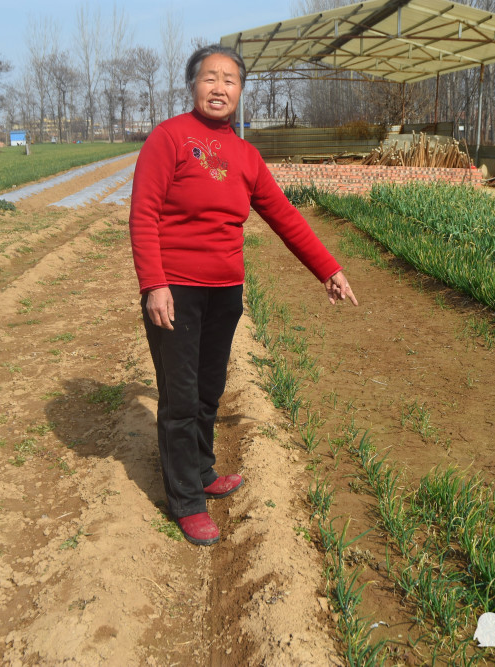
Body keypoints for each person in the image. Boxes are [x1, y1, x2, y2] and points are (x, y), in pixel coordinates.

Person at [129, 44, 358, 546]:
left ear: (239, 92)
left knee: (210, 389)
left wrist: (329, 269)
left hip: (225, 291)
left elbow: (285, 216)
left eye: (229, 80)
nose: (219, 87)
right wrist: (154, 285)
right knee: (180, 397)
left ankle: (203, 470)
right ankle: (186, 499)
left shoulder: (246, 155)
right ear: (193, 86)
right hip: (177, 292)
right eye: (209, 77)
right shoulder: (168, 139)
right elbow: (144, 215)